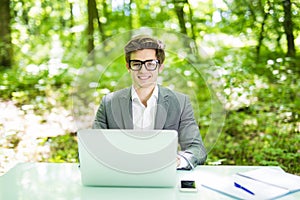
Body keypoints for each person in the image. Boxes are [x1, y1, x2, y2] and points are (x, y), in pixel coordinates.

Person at [92, 34, 207, 170]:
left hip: (163, 177)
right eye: (137, 64)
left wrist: (177, 161)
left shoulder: (180, 103)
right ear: (128, 67)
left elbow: (197, 149)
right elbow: (92, 148)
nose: (143, 70)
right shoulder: (109, 103)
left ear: (160, 67)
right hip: (120, 177)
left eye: (150, 64)